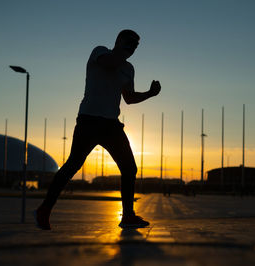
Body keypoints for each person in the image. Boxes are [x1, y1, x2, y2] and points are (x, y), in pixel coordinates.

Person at [33, 29, 161, 230]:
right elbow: (110, 63)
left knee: (129, 168)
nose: (133, 48)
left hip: (111, 125)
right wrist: (123, 50)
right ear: (118, 41)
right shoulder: (99, 52)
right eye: (129, 43)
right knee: (73, 165)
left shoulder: (129, 69)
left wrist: (149, 94)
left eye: (136, 46)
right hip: (89, 120)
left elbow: (129, 98)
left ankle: (127, 216)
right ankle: (44, 209)